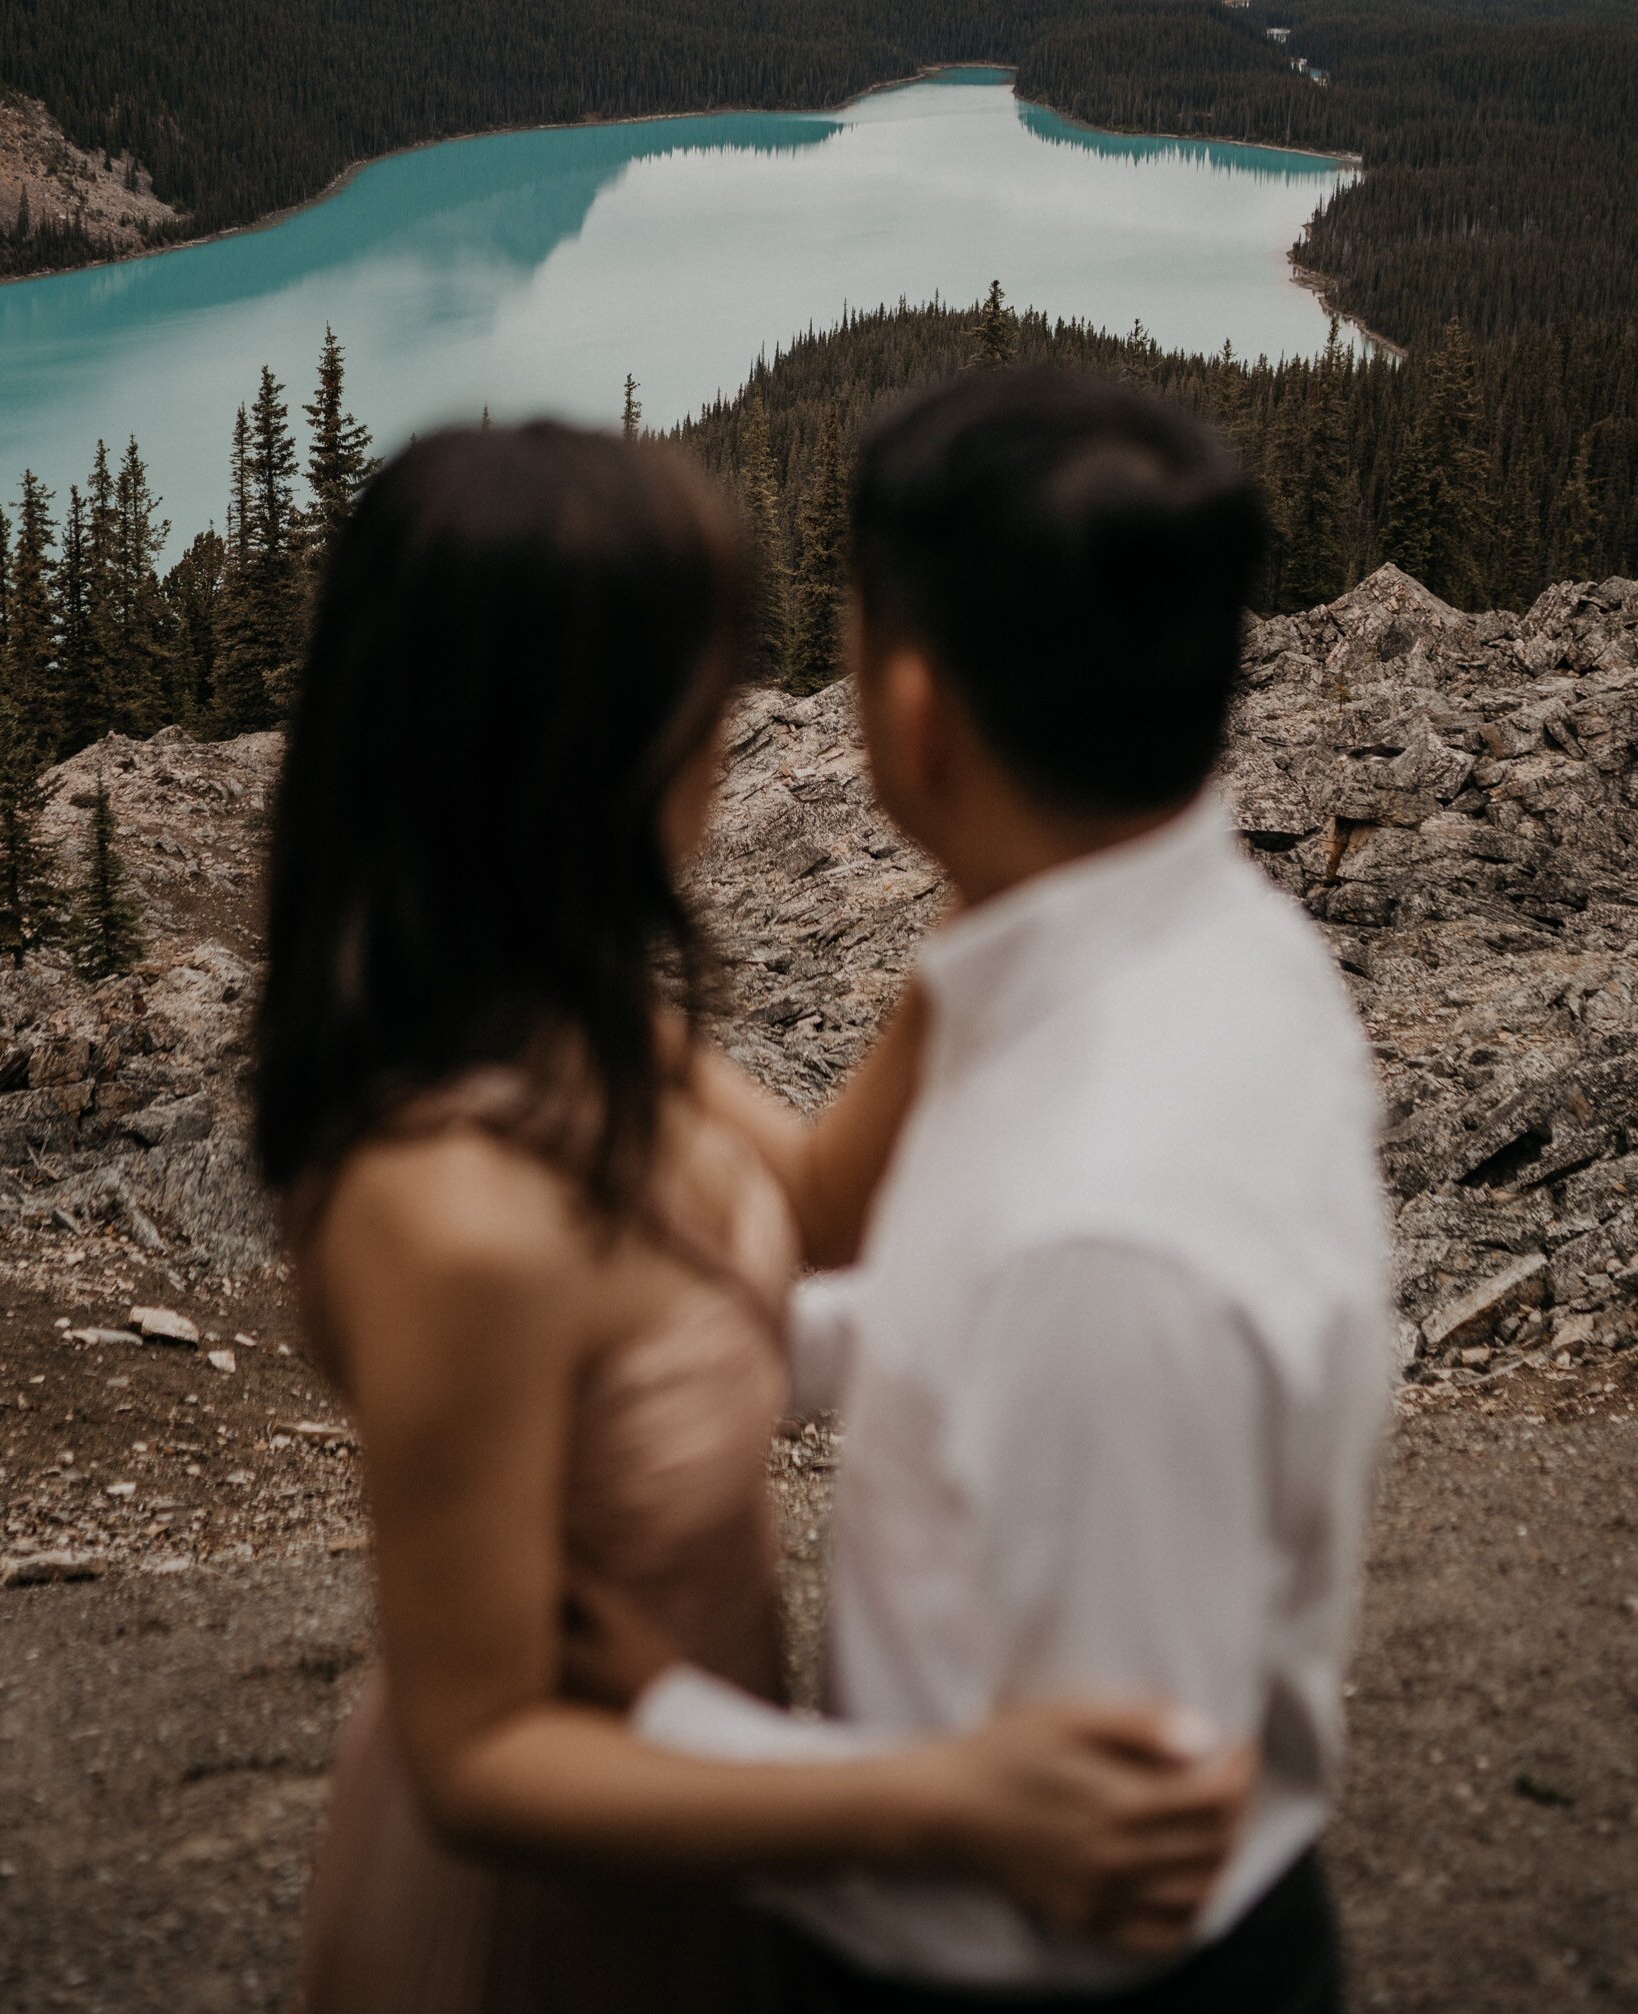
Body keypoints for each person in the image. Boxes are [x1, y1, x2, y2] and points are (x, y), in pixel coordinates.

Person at [252, 420, 1252, 2014]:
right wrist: (945, 1800)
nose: (736, 726)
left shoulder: (578, 1011)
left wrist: (1008, 859)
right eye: (697, 686)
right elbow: (481, 1752)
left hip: (707, 1836)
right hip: (526, 1936)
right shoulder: (446, 1211)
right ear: (564, 740)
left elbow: (813, 1213)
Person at [632, 368, 1395, 2012]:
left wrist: (640, 1714)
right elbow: (960, 1342)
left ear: (913, 713)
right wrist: (714, 1355)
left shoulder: (1097, 1237)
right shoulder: (1222, 948)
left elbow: (1079, 1858)